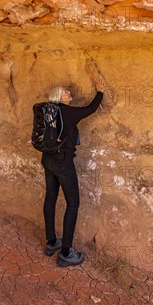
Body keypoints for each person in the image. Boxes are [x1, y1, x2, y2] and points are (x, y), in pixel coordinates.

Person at [41, 73, 108, 267]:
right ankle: (66, 253)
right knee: (73, 203)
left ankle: (51, 242)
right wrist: (100, 92)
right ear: (58, 97)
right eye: (65, 92)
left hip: (48, 160)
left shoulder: (48, 112)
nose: (69, 93)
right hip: (62, 163)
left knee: (51, 198)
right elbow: (90, 109)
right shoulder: (67, 113)